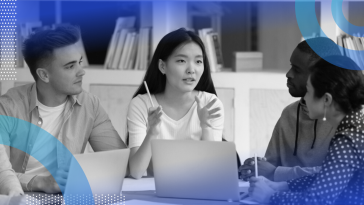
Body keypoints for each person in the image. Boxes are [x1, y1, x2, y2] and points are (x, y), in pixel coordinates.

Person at [0, 25, 127, 194]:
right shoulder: (8, 108)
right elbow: (2, 175)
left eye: (80, 62)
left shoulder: (89, 105)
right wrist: (39, 182)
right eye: (70, 66)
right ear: (44, 75)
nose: (81, 72)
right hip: (19, 197)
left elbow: (119, 163)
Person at [249, 55, 364, 204]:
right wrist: (281, 186)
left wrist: (269, 196)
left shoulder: (348, 140)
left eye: (308, 91)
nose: (304, 98)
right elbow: (325, 177)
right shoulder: (355, 126)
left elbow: (317, 201)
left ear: (326, 100)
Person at [239, 37, 342, 181]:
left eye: (297, 70)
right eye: (291, 66)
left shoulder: (345, 119)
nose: (288, 74)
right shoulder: (289, 113)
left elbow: (334, 176)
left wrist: (274, 172)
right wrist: (255, 168)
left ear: (321, 77)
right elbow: (270, 167)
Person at [127, 28, 224, 179]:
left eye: (198, 61)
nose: (191, 70)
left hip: (197, 192)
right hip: (154, 194)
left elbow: (213, 171)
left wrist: (206, 126)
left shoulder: (210, 103)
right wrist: (152, 131)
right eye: (181, 61)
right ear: (162, 66)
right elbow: (136, 172)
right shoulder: (141, 104)